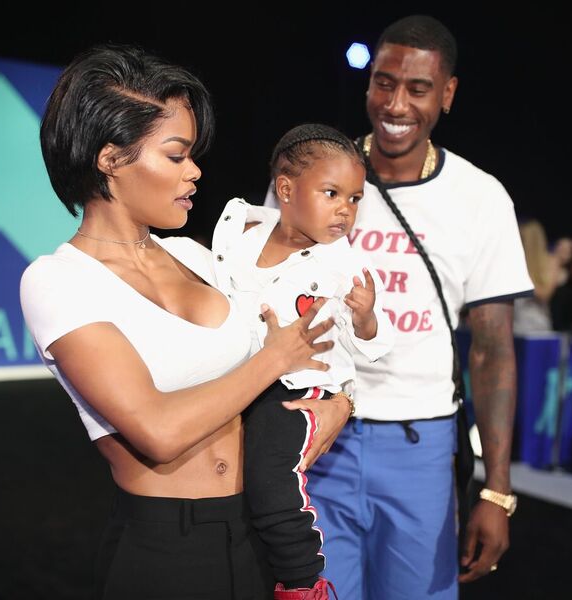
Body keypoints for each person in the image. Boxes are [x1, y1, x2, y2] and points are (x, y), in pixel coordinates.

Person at [19, 44, 351, 600]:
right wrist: (275, 357)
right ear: (109, 159)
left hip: (261, 532)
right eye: (176, 156)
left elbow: (303, 362)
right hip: (165, 551)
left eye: (193, 155)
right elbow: (158, 430)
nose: (195, 171)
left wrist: (341, 404)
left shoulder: (200, 259)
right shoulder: (56, 281)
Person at [263, 14, 533, 599]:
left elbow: (491, 351)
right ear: (368, 85)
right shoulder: (312, 177)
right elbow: (264, 303)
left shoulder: (480, 198)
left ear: (448, 93)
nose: (396, 103)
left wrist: (496, 491)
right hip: (318, 437)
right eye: (384, 82)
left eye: (418, 88)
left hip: (421, 448)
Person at [212, 124, 394, 599]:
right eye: (333, 193)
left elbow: (373, 344)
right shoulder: (240, 233)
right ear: (286, 189)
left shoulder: (343, 265)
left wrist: (367, 316)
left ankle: (304, 583)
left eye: (355, 199)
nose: (345, 210)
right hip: (243, 380)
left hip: (300, 389)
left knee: (272, 478)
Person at [513, 219, 561, 335]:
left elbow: (545, 294)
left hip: (538, 326)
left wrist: (522, 276)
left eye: (523, 239)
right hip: (516, 325)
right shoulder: (516, 261)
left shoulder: (550, 261)